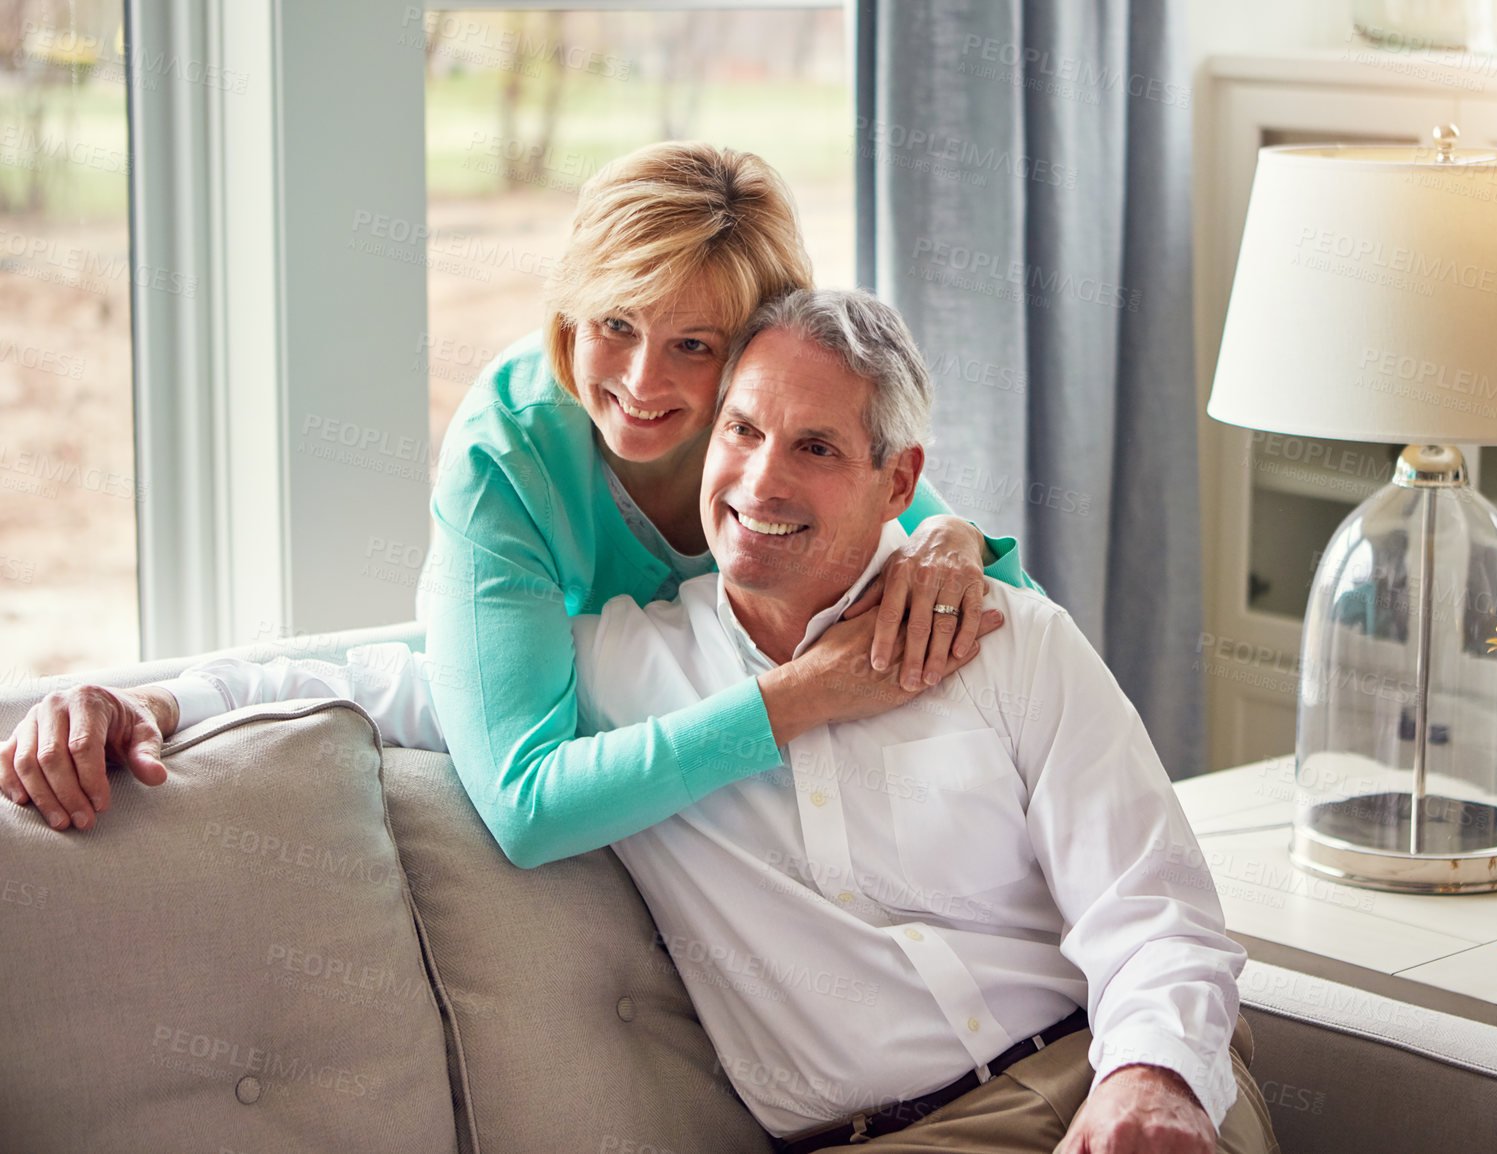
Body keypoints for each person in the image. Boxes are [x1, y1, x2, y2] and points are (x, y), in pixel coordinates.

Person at [21, 291, 1277, 1154]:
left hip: (1118, 1088)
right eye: (740, 431)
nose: (760, 481)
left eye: (817, 448)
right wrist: (136, 697)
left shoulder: (1000, 635)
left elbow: (1152, 903)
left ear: (901, 480)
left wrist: (1152, 1077)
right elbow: (375, 675)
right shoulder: (620, 668)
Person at [0, 143, 1039, 853]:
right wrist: (160, 699)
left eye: (695, 346)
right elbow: (518, 793)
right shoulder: (514, 449)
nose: (641, 384)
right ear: (569, 311)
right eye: (615, 325)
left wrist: (946, 534)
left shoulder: (778, 447)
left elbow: (1010, 607)